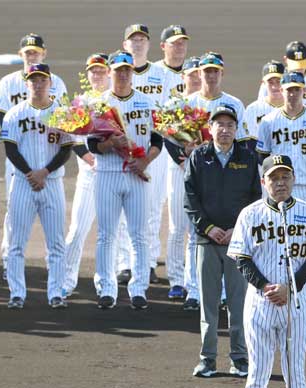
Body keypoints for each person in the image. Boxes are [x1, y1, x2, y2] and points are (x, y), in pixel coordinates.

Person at [228, 154, 306, 388]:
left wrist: (289, 288)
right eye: (274, 178)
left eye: (285, 176)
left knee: (295, 373)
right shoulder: (250, 214)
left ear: (294, 179)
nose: (280, 182)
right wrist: (266, 287)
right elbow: (242, 259)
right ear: (264, 182)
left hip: (297, 303)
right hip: (260, 303)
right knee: (258, 373)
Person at [185, 104, 261, 378]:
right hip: (207, 242)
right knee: (209, 304)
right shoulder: (199, 157)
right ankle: (207, 359)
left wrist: (234, 230)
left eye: (230, 125)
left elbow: (255, 200)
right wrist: (208, 228)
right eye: (220, 124)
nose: (225, 130)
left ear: (236, 129)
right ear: (210, 128)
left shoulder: (248, 157)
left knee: (239, 304)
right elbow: (190, 199)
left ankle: (240, 358)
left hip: (237, 244)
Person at [87, 51, 162, 310]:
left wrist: (146, 161)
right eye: (118, 69)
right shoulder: (100, 103)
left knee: (139, 234)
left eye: (127, 70)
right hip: (107, 174)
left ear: (132, 72)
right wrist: (110, 144)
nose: (122, 74)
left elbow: (157, 140)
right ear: (110, 72)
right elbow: (92, 145)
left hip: (136, 176)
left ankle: (139, 289)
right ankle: (106, 288)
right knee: (106, 235)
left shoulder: (145, 101)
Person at [0, 33, 67, 280]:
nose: (32, 54)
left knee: (53, 224)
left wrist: (45, 169)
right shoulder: (7, 82)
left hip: (49, 160)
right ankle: (7, 262)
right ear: (20, 54)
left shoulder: (57, 83)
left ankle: (53, 269)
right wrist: (17, 138)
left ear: (44, 53)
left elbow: (68, 121)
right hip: (18, 158)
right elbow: (0, 118)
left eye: (36, 51)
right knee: (13, 214)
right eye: (27, 51)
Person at [256, 71, 306, 311]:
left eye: (297, 89)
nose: (292, 93)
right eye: (289, 89)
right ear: (282, 89)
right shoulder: (268, 121)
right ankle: (273, 288)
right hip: (276, 189)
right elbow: (262, 155)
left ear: (304, 90)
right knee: (275, 237)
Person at [1, 63, 73, 310]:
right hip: (22, 183)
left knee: (56, 243)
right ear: (26, 83)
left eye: (42, 79)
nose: (38, 84)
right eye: (33, 80)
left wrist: (45, 172)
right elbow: (10, 149)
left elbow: (66, 149)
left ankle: (56, 293)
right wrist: (31, 173)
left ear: (50, 83)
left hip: (52, 183)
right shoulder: (14, 113)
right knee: (16, 242)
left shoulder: (63, 113)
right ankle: (16, 293)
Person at [115, 23, 170, 286]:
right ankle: (125, 264)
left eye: (142, 39)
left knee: (153, 207)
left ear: (148, 45)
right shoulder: (117, 71)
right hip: (120, 153)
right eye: (132, 40)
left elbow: (170, 112)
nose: (137, 43)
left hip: (153, 151)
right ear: (125, 44)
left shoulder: (162, 74)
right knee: (124, 211)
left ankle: (147, 263)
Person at [61, 53, 109, 298]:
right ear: (88, 74)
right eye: (93, 71)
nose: (97, 74)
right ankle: (66, 281)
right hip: (90, 177)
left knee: (111, 234)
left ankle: (106, 285)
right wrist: (89, 157)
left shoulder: (116, 99)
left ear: (109, 72)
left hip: (114, 177)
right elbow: (71, 137)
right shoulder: (81, 101)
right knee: (78, 229)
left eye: (101, 70)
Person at [163, 56, 202, 309]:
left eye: (199, 73)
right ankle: (177, 280)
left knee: (197, 230)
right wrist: (183, 158)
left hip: (203, 173)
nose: (196, 77)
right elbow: (168, 138)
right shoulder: (174, 104)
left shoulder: (206, 104)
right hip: (179, 171)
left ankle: (194, 283)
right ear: (183, 77)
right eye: (192, 73)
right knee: (178, 227)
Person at [189, 52, 250, 144]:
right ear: (199, 73)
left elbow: (242, 140)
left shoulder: (235, 103)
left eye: (216, 71)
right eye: (207, 71)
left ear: (222, 73)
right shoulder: (187, 102)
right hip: (192, 157)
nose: (212, 75)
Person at [257, 41, 306, 110]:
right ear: (285, 59)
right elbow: (261, 105)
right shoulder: (274, 79)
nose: (299, 68)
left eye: (302, 63)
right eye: (295, 64)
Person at [244, 60, 285, 142]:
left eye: (278, 81)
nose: (275, 87)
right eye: (270, 82)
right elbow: (250, 142)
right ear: (263, 83)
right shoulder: (253, 109)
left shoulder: (294, 107)